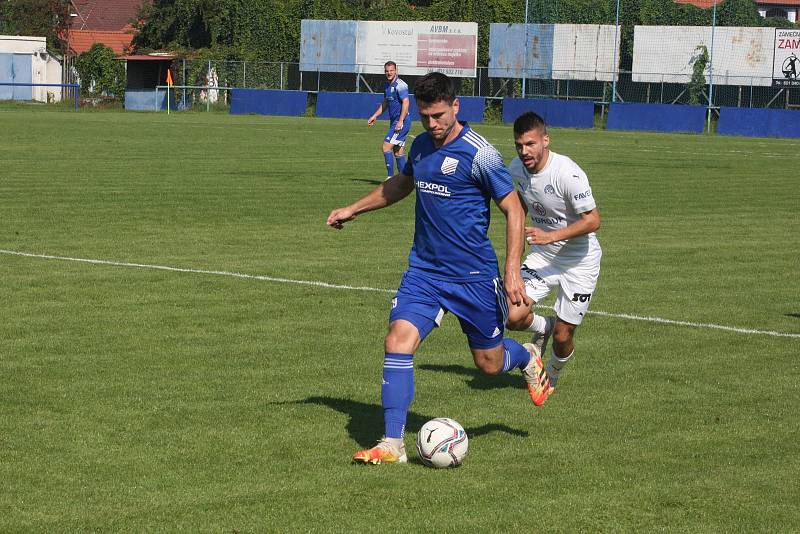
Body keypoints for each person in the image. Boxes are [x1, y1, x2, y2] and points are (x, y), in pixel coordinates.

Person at [328, 72, 541, 465]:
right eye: (426, 116)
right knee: (397, 340)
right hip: (424, 272)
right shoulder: (423, 146)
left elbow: (514, 209)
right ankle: (393, 443)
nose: (432, 124)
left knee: (489, 363)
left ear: (456, 107)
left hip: (474, 277)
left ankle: (527, 356)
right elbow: (400, 184)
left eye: (439, 115)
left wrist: (512, 271)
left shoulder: (481, 154)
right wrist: (353, 208)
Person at [505, 111, 602, 407]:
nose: (525, 152)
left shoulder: (567, 174)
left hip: (580, 261)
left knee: (563, 337)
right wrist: (515, 261)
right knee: (512, 315)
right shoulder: (516, 170)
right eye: (519, 145)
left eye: (531, 144)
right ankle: (542, 328)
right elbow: (518, 212)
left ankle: (553, 375)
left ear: (545, 140)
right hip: (543, 258)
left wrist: (551, 236)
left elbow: (593, 221)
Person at [367, 61, 411, 179]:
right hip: (395, 121)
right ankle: (405, 179)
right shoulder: (387, 86)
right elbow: (385, 103)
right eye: (387, 71)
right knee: (398, 152)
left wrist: (401, 121)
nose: (389, 73)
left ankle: (390, 178)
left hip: (402, 121)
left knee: (386, 147)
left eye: (391, 70)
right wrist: (374, 115)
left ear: (396, 71)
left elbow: (406, 103)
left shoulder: (401, 85)